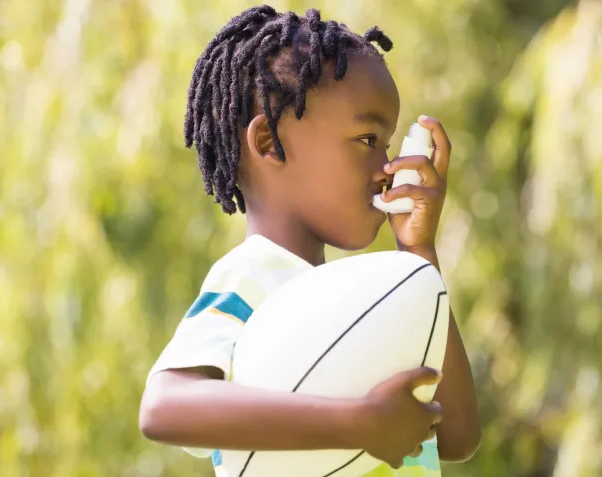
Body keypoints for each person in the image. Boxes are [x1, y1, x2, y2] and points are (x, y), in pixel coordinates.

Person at [139, 5, 481, 476]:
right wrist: (357, 425)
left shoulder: (373, 303)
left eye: (387, 144)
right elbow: (163, 408)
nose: (387, 168)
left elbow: (458, 437)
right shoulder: (252, 277)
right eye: (367, 139)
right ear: (268, 143)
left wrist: (419, 254)